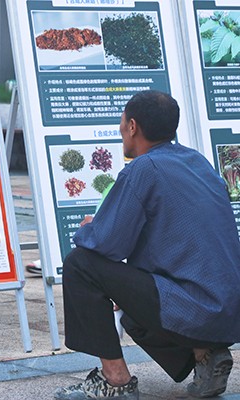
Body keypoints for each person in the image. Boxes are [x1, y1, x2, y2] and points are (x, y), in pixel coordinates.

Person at [55, 90, 240, 399]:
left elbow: (106, 244)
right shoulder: (197, 161)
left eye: (122, 122)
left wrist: (90, 228)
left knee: (80, 264)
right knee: (133, 313)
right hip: (227, 310)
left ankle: (115, 381)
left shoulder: (144, 168)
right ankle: (205, 353)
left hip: (194, 307)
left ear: (132, 127)